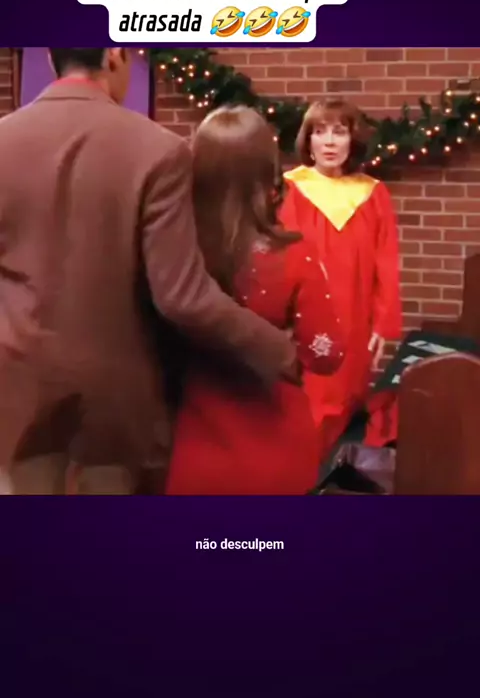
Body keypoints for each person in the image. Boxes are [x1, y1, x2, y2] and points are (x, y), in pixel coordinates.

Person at [0, 48, 300, 495]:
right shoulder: (157, 148)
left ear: (50, 58)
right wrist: (279, 349)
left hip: (17, 387)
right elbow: (182, 297)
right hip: (113, 402)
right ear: (114, 56)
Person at [166, 106, 345, 495]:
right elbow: (327, 354)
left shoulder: (173, 251)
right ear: (268, 174)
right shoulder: (296, 255)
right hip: (275, 445)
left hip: (189, 446)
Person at [279, 99, 402, 463]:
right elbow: (279, 258)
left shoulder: (373, 194)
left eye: (339, 132)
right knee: (306, 408)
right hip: (305, 320)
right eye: (320, 132)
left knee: (347, 405)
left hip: (356, 318)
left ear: (353, 139)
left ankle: (331, 477)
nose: (330, 142)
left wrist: (383, 324)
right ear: (308, 140)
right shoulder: (290, 190)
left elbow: (386, 262)